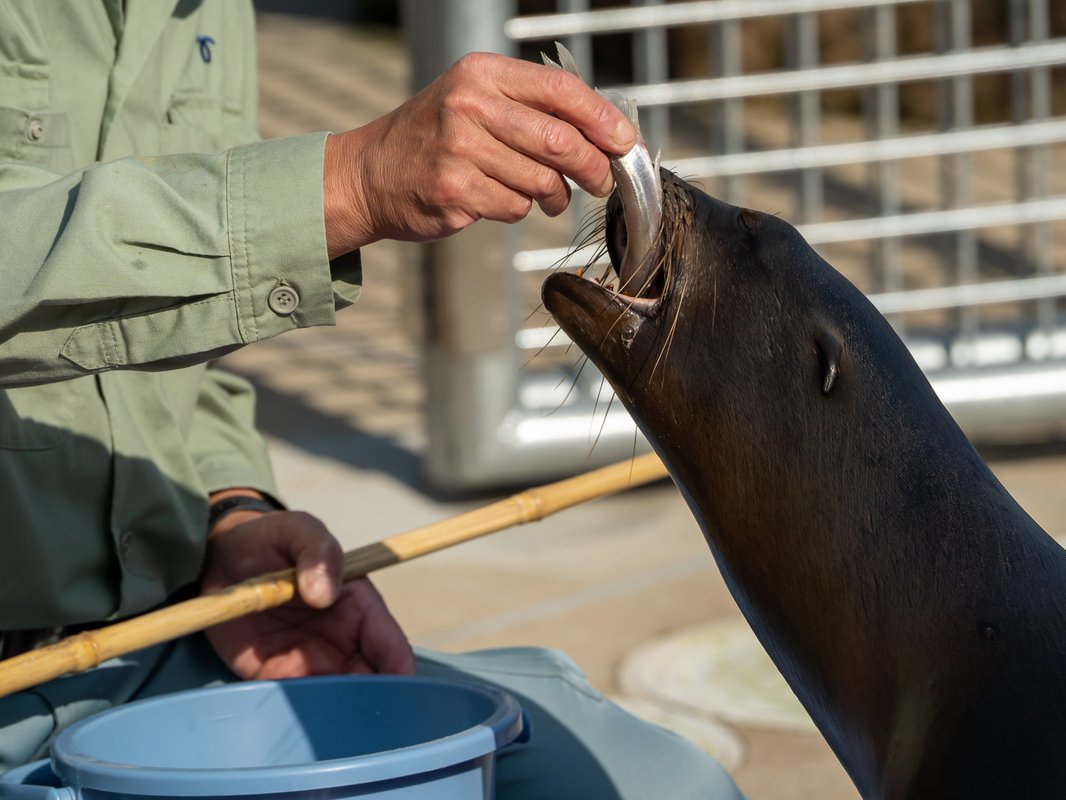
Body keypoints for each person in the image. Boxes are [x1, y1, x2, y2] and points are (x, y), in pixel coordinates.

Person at [0, 4, 744, 799]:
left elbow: (169, 336)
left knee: (660, 784)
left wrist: (226, 509)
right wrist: (348, 182)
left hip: (157, 649)